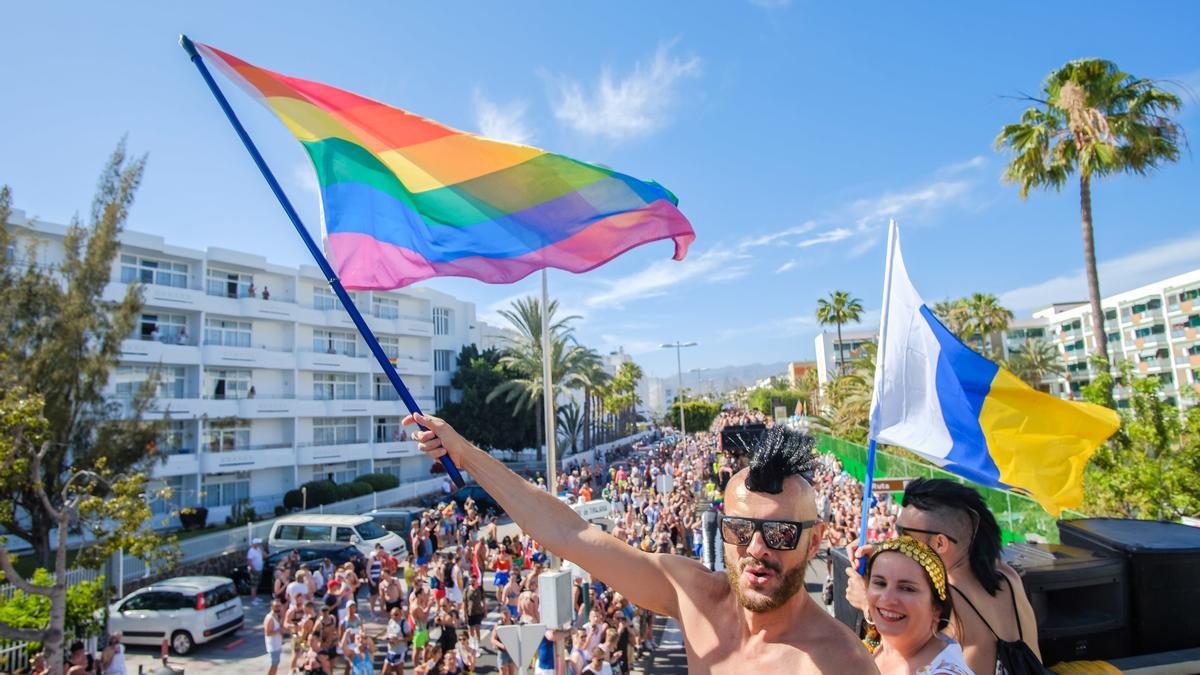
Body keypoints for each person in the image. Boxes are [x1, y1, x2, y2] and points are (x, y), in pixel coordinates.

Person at [406, 415, 876, 674]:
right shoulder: (695, 596)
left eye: (779, 534)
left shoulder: (841, 664)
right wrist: (464, 454)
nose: (756, 548)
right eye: (739, 529)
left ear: (814, 541)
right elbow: (569, 533)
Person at [846, 479, 1042, 675]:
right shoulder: (1008, 576)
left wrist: (868, 604)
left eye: (903, 533)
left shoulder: (944, 598)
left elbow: (900, 656)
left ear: (940, 543)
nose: (897, 541)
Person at [862, 536, 972, 674]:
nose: (887, 598)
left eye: (907, 588)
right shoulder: (874, 647)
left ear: (936, 608)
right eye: (880, 583)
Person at [263, 600, 285, 675]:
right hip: (272, 646)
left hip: (277, 644)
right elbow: (268, 633)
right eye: (276, 606)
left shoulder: (277, 616)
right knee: (273, 664)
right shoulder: (269, 618)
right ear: (271, 607)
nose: (278, 608)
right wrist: (279, 630)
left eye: (279, 606)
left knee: (276, 663)